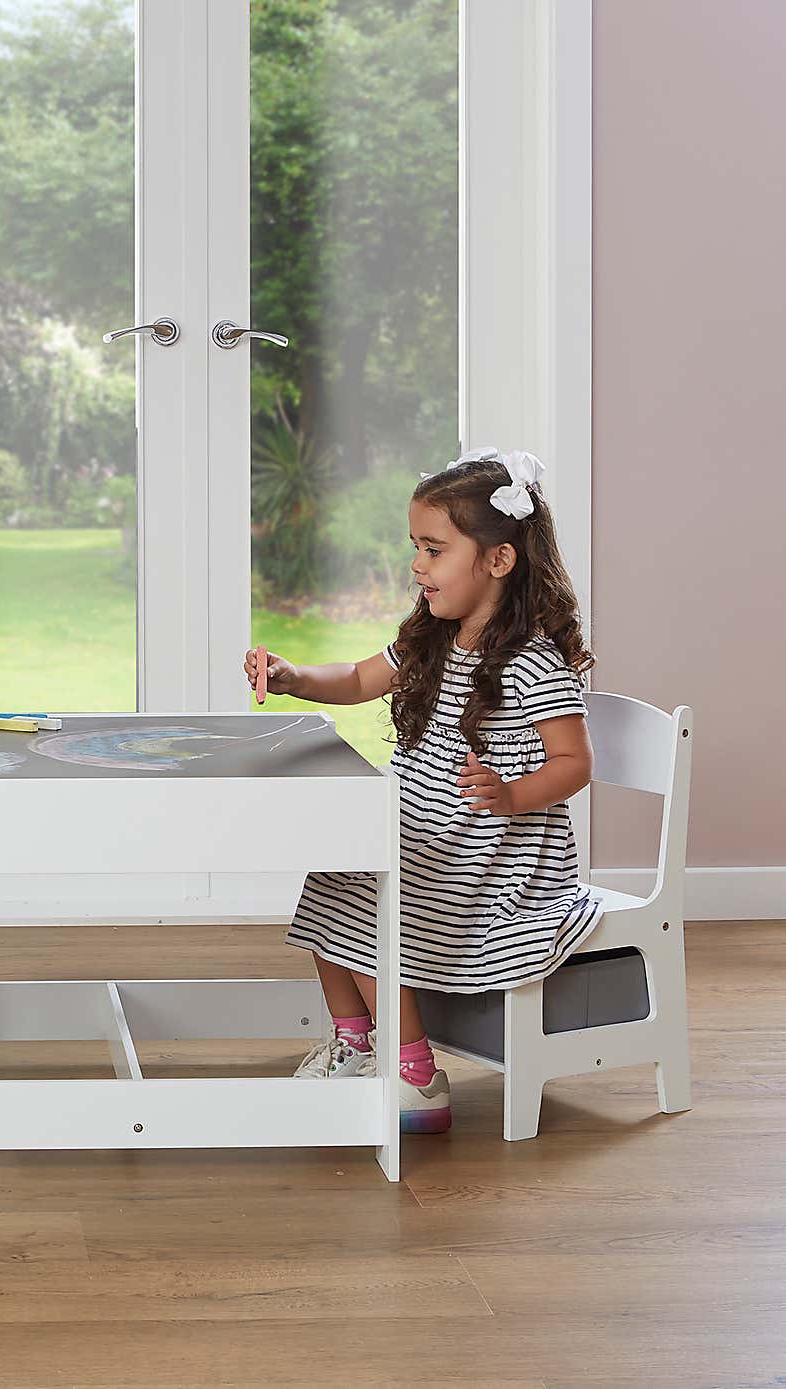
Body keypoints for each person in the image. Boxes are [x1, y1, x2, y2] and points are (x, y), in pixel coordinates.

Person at [244, 448, 602, 1133]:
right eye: (416, 548)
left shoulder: (531, 662)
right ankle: (356, 1043)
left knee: (371, 900)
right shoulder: (434, 637)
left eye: (434, 550)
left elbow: (574, 762)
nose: (417, 565)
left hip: (489, 856)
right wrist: (294, 677)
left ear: (498, 560)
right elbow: (356, 679)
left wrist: (510, 794)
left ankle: (414, 1076)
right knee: (335, 878)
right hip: (424, 836)